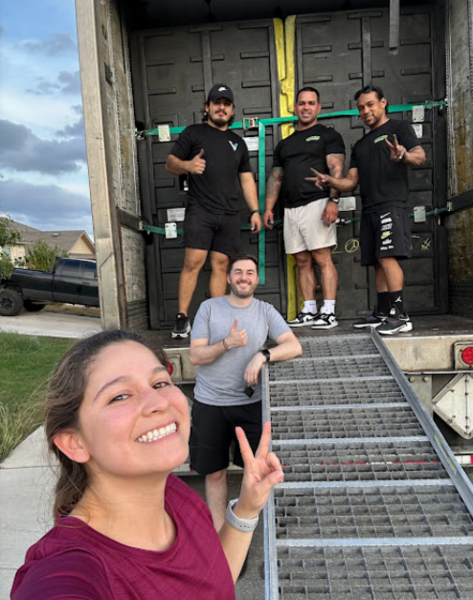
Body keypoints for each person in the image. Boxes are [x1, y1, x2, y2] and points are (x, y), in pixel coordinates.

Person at [11, 330, 285, 600]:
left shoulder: (175, 493)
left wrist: (246, 509)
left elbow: (214, 579)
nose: (158, 402)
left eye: (160, 383)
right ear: (75, 443)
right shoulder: (68, 570)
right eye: (120, 396)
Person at [189, 254, 302, 530]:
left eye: (250, 273)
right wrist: (226, 344)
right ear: (228, 278)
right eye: (238, 272)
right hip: (210, 404)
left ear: (256, 280)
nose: (244, 277)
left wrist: (263, 355)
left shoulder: (265, 311)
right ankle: (221, 537)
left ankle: (241, 531)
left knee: (253, 473)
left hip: (251, 405)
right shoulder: (209, 308)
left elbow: (293, 345)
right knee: (215, 474)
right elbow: (195, 356)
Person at [307, 84, 426, 335]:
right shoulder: (361, 145)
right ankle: (382, 312)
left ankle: (401, 315)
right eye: (361, 107)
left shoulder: (399, 128)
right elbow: (351, 182)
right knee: (376, 261)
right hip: (369, 208)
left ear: (383, 103)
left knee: (387, 257)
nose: (366, 111)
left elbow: (419, 156)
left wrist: (403, 155)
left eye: (370, 104)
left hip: (391, 204)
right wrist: (330, 182)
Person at [166, 84, 262, 339]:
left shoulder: (238, 142)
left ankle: (215, 321)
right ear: (207, 107)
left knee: (221, 266)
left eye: (226, 104)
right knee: (193, 263)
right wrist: (188, 165)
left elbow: (246, 180)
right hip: (201, 210)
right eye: (216, 103)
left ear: (232, 110)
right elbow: (170, 163)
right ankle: (182, 319)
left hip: (229, 214)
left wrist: (255, 210)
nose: (221, 107)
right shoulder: (193, 132)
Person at [263, 87, 346, 330]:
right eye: (302, 103)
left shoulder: (328, 135)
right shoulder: (285, 144)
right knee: (301, 260)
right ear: (295, 107)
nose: (306, 107)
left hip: (317, 203)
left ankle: (328, 312)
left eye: (311, 103)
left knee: (322, 257)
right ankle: (309, 310)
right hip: (291, 209)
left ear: (319, 107)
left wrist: (333, 201)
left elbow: (336, 169)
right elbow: (276, 177)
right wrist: (268, 208)